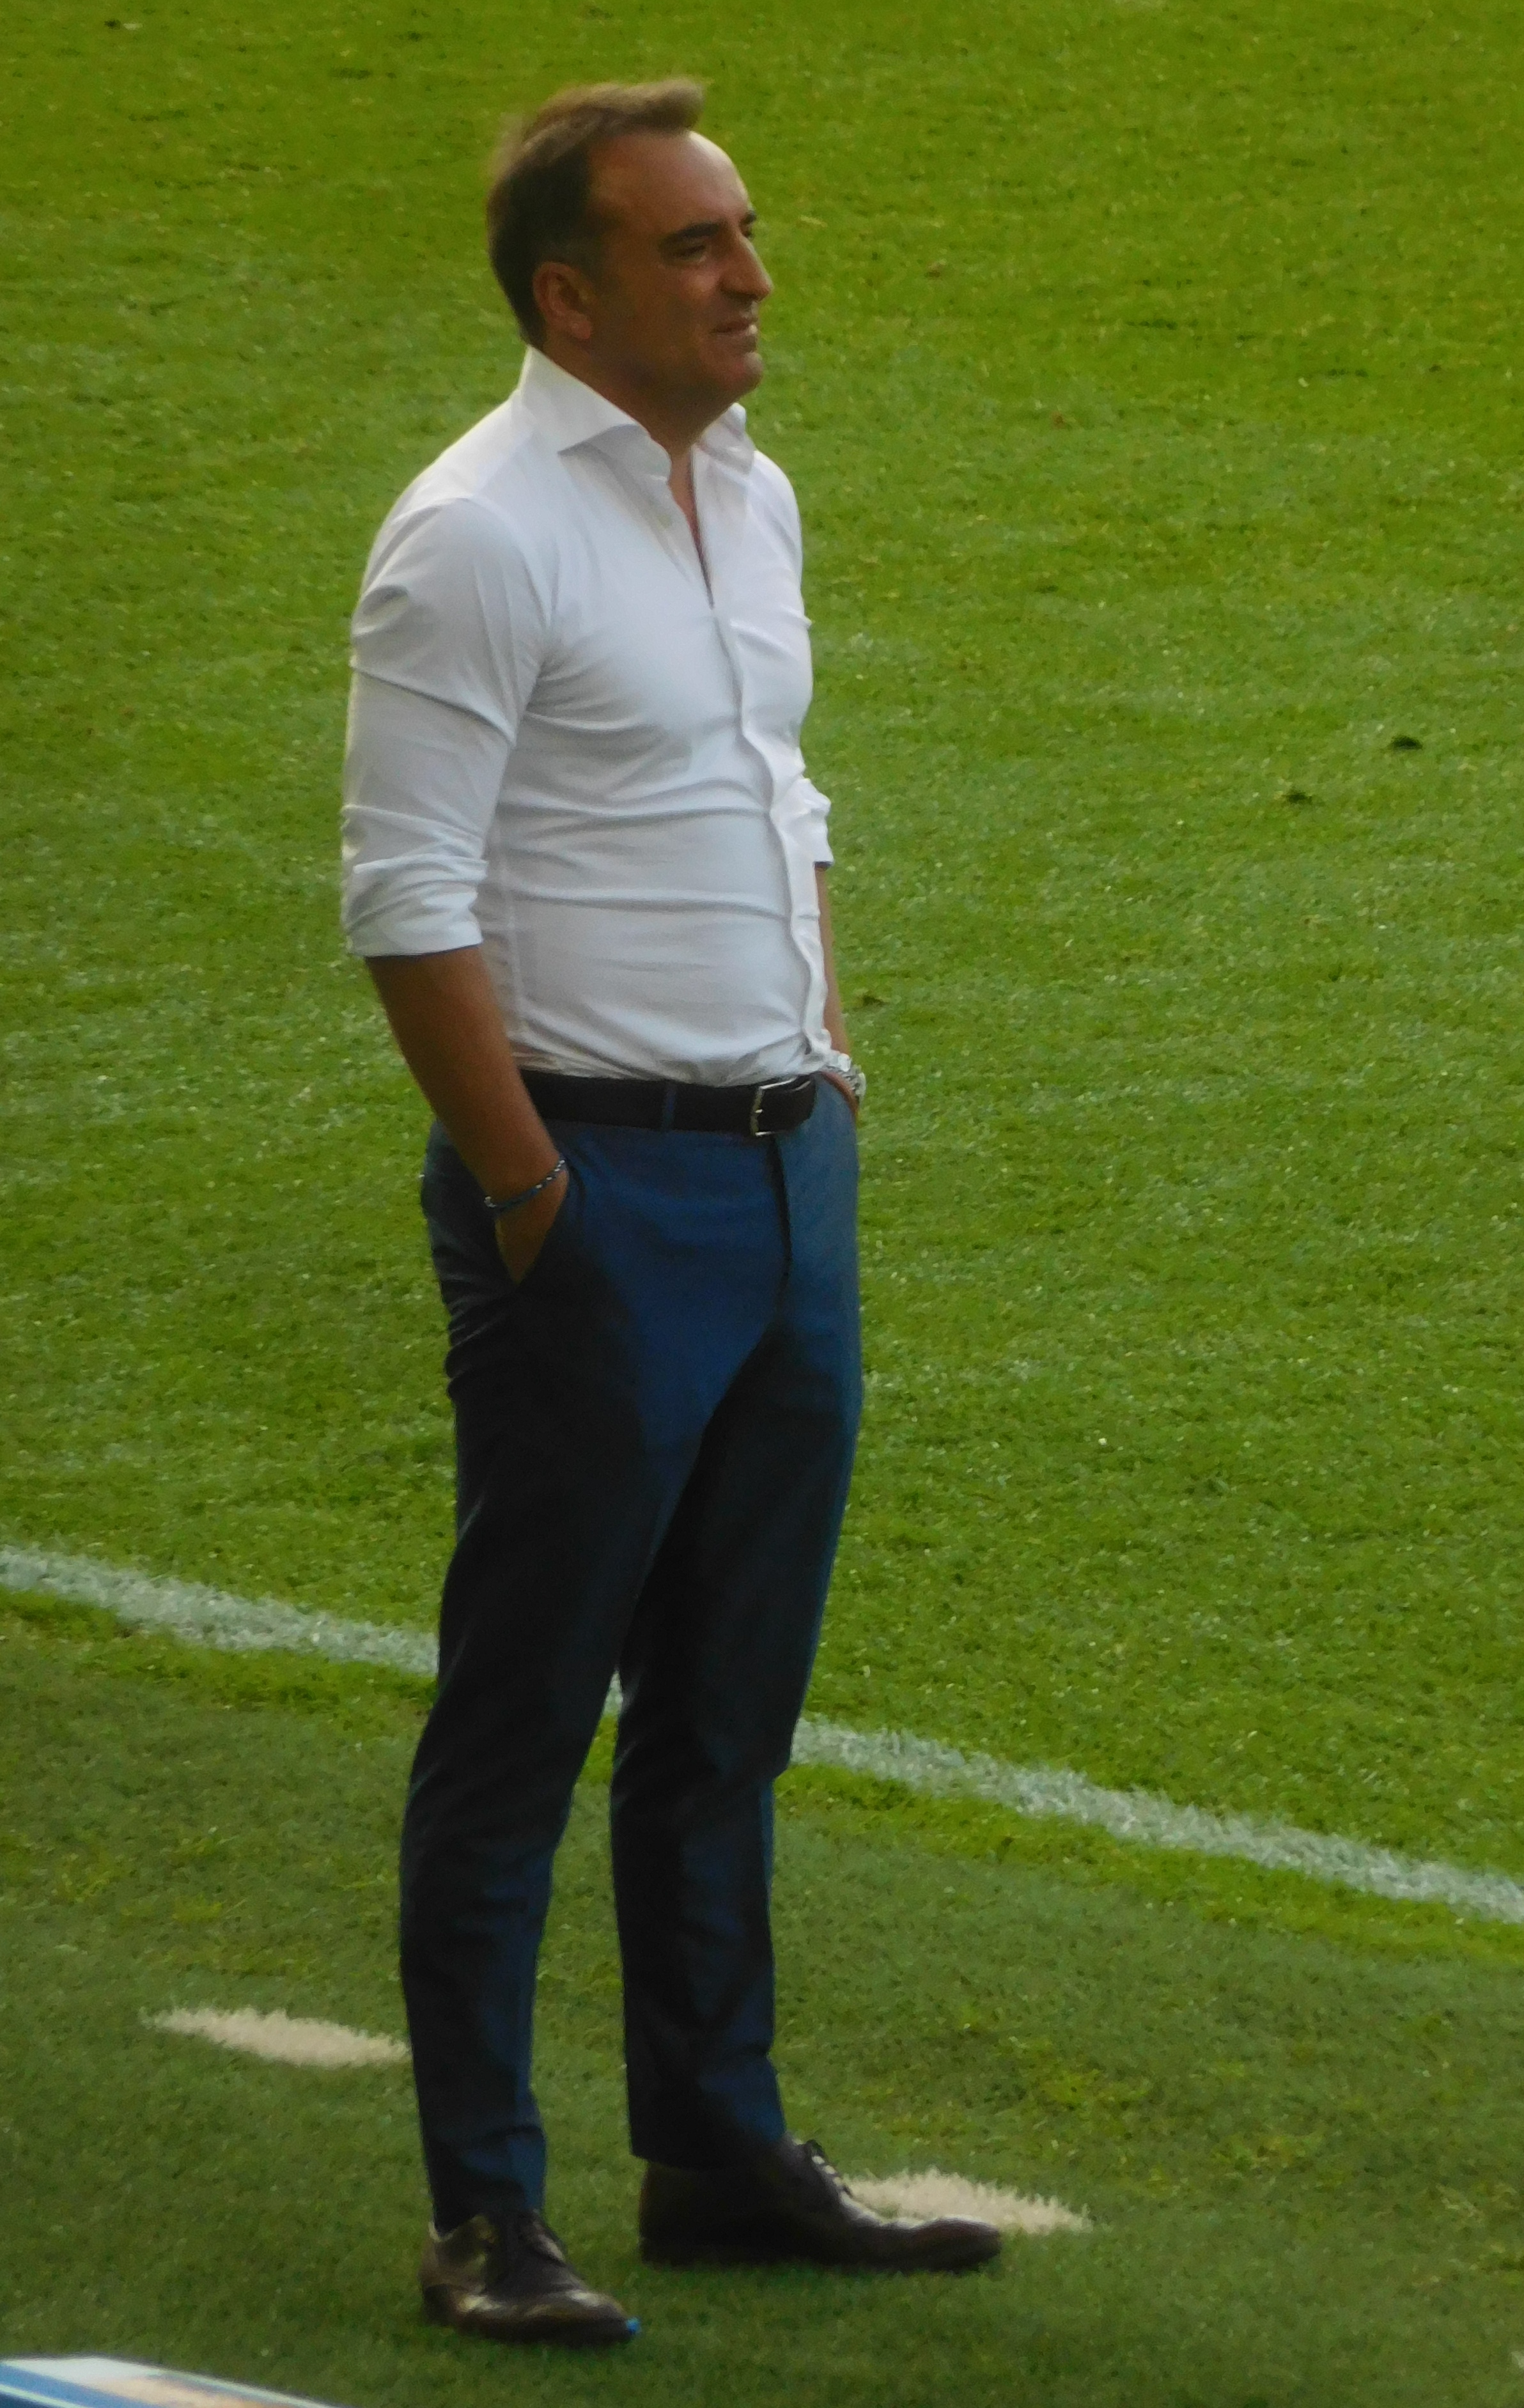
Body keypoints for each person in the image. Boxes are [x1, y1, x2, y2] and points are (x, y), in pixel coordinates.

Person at [340, 78, 1001, 2347]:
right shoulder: (476, 534)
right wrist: (532, 1192)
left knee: (728, 1704)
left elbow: (772, 786)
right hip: (596, 1182)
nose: (751, 276)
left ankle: (716, 2149)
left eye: (744, 231)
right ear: (570, 295)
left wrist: (825, 1050)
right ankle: (485, 2214)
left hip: (783, 1170)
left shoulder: (755, 494)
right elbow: (406, 897)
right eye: (698, 244)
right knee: (526, 1712)